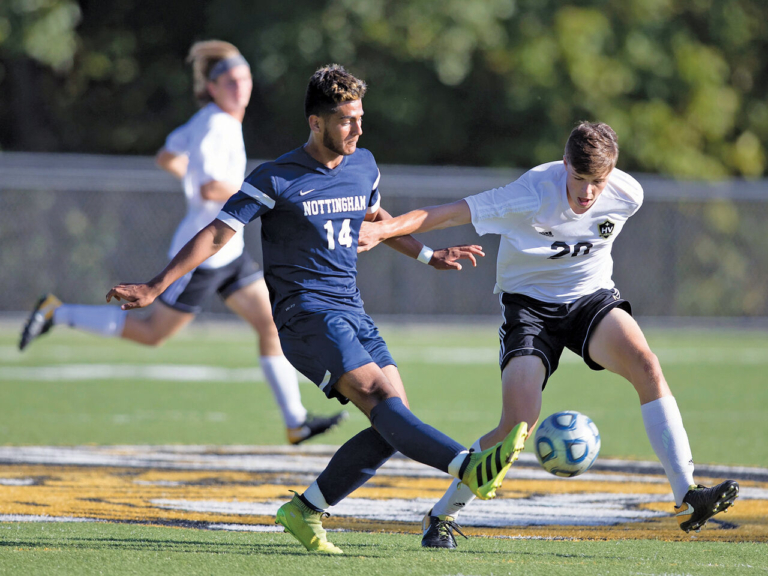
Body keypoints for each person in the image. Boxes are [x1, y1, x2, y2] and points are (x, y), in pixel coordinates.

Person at [105, 64, 529, 554]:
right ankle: (465, 465)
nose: (357, 129)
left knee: (396, 424)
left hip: (352, 308)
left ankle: (305, 510)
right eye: (346, 120)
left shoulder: (364, 164)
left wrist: (429, 255)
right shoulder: (277, 176)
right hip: (304, 316)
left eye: (360, 118)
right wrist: (156, 286)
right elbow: (219, 231)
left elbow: (376, 220)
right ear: (316, 122)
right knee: (378, 397)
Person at [358, 121, 740, 548]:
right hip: (529, 311)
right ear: (565, 165)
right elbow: (447, 213)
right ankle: (439, 517)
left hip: (590, 300)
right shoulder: (531, 192)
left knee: (646, 363)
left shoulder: (628, 194)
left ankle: (689, 493)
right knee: (517, 425)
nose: (589, 193)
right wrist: (381, 229)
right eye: (579, 179)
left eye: (598, 181)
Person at [19, 40, 346, 445]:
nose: (239, 86)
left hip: (230, 250)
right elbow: (210, 187)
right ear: (211, 87)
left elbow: (167, 156)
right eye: (229, 80)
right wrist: (261, 191)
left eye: (243, 78)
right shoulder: (216, 125)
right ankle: (58, 313)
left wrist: (191, 179)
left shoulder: (210, 118)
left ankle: (295, 421)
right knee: (153, 333)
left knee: (270, 325)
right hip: (203, 255)